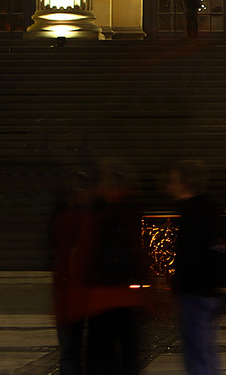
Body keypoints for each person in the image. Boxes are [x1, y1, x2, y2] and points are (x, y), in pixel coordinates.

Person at [52, 161, 152, 375]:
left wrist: (71, 296)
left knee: (94, 357)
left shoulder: (97, 213)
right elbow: (137, 253)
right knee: (127, 358)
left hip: (100, 298)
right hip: (127, 298)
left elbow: (81, 257)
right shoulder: (129, 209)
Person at [168, 160, 226, 375]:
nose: (169, 187)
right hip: (210, 291)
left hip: (195, 292)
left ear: (184, 183)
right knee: (206, 352)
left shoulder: (192, 212)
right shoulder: (211, 208)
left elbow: (190, 255)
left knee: (197, 356)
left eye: (173, 181)